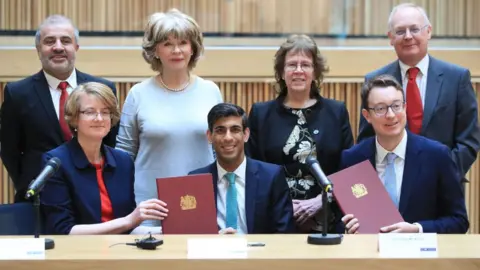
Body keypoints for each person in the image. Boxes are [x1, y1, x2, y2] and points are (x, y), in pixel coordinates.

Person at [116, 9, 222, 227]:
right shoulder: (138, 93)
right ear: (155, 50)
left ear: (193, 48)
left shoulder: (211, 91)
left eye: (183, 42)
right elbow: (124, 154)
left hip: (199, 201)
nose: (176, 50)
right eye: (167, 44)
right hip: (148, 204)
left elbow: (218, 148)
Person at [1, 15, 118, 203]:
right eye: (49, 41)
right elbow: (9, 150)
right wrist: (28, 182)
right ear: (39, 49)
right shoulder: (17, 94)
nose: (58, 47)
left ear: (76, 47)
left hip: (94, 195)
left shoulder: (103, 88)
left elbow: (111, 144)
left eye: (65, 41)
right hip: (40, 198)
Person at [357, 3, 480, 183]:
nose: (408, 36)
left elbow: (468, 140)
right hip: (390, 185)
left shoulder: (457, 78)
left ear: (428, 31)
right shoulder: (374, 80)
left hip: (443, 187)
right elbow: (366, 141)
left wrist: (440, 173)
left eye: (415, 29)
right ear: (390, 38)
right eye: (400, 31)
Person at [247, 34, 353, 233]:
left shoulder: (336, 112)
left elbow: (348, 171)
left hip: (326, 217)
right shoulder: (261, 114)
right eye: (291, 65)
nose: (298, 71)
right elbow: (253, 169)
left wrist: (319, 201)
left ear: (315, 72)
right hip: (274, 218)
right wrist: (284, 203)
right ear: (281, 71)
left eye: (305, 65)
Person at [342, 75, 469, 234]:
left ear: (405, 108)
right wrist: (348, 227)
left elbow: (459, 221)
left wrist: (417, 229)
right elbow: (341, 218)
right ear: (367, 115)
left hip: (421, 255)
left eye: (396, 106)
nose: (390, 115)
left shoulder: (437, 156)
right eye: (380, 109)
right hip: (369, 254)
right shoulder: (353, 159)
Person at [40, 82, 167, 235]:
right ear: (74, 119)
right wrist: (129, 220)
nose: (99, 118)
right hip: (77, 253)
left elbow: (128, 228)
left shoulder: (122, 161)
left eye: (105, 112)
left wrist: (167, 231)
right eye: (90, 112)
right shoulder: (56, 161)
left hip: (120, 250)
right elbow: (63, 230)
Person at [189, 103, 295, 234]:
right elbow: (189, 233)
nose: (228, 137)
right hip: (212, 253)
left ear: (246, 134)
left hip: (259, 253)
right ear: (209, 136)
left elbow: (284, 233)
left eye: (235, 130)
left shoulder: (271, 177)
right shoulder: (195, 181)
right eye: (220, 130)